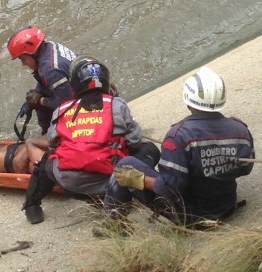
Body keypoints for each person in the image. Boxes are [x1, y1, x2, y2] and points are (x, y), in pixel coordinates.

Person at [101, 67, 255, 231]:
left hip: (190, 215)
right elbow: (245, 169)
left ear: (188, 101)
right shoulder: (240, 130)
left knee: (126, 164)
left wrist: (139, 179)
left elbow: (170, 188)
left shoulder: (178, 136)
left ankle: (113, 225)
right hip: (225, 205)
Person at [21, 55, 156, 224]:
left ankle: (32, 206)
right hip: (108, 180)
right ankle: (127, 195)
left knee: (48, 158)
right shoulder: (117, 104)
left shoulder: (62, 109)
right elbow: (134, 141)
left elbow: (52, 140)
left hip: (69, 184)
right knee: (149, 150)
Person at [7, 26, 77, 135]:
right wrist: (33, 98)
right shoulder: (50, 46)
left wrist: (40, 100)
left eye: (23, 59)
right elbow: (46, 82)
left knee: (41, 105)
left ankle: (50, 140)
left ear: (32, 53)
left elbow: (68, 105)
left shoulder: (50, 70)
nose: (23, 64)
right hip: (81, 89)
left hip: (83, 104)